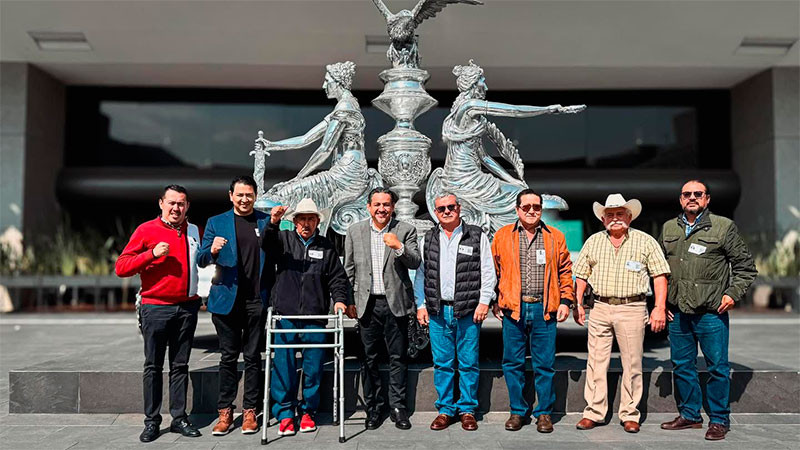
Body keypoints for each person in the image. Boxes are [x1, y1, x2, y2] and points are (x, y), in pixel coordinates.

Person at [426, 59, 584, 234]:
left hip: (475, 176)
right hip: (463, 179)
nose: (485, 87)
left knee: (519, 191)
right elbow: (513, 110)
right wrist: (548, 109)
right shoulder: (469, 107)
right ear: (472, 84)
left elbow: (484, 157)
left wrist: (511, 179)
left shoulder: (476, 119)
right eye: (481, 82)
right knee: (517, 198)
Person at [659, 180, 756, 441]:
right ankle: (690, 415)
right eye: (686, 194)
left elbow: (746, 267)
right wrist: (662, 303)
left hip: (711, 313)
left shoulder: (723, 227)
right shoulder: (669, 228)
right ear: (680, 199)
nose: (692, 197)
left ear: (707, 199)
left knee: (717, 368)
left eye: (697, 194)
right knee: (681, 366)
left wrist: (732, 294)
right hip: (678, 313)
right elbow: (658, 271)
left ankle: (719, 420)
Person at [573, 194, 671, 434]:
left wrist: (659, 307)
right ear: (603, 219)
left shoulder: (645, 241)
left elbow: (660, 276)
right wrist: (577, 303)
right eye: (610, 215)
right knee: (596, 362)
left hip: (633, 308)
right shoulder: (593, 241)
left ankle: (630, 414)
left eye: (619, 214)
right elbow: (581, 276)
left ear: (629, 216)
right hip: (599, 307)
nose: (615, 219)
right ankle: (594, 412)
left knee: (632, 363)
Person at [115, 185, 202, 443]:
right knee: (153, 366)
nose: (177, 208)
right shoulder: (146, 230)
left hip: (187, 308)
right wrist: (151, 254)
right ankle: (152, 421)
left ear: (187, 207)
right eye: (172, 203)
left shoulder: (194, 230)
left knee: (180, 365)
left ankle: (179, 418)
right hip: (155, 307)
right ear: (161, 204)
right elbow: (121, 267)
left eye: (182, 204)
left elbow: (201, 263)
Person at [256, 61, 381, 235]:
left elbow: (325, 149)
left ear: (338, 82)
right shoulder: (344, 106)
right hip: (342, 171)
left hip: (346, 174)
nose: (324, 85)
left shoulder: (345, 107)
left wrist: (299, 177)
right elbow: (305, 139)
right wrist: (272, 145)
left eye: (327, 80)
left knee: (285, 194)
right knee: (285, 195)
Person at [491, 189, 576, 433]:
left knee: (545, 365)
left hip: (544, 309)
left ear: (541, 209)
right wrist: (496, 298)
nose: (531, 211)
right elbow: (494, 270)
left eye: (536, 207)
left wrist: (565, 301)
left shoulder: (555, 237)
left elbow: (565, 271)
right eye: (526, 207)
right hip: (514, 310)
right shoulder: (502, 236)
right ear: (517, 210)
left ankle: (544, 413)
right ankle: (517, 412)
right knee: (512, 363)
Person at [264, 198, 350, 436]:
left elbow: (337, 278)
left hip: (315, 316)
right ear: (294, 222)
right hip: (286, 315)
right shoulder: (283, 240)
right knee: (284, 366)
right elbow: (266, 245)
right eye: (302, 219)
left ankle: (308, 412)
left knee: (313, 368)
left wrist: (340, 299)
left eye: (311, 219)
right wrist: (273, 223)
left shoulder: (326, 246)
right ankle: (284, 414)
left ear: (317, 222)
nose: (306, 223)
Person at [414, 193, 496, 431]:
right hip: (438, 310)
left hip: (468, 310)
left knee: (469, 362)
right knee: (442, 363)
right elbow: (421, 274)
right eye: (441, 209)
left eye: (451, 207)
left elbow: (487, 270)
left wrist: (484, 301)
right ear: (435, 213)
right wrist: (420, 305)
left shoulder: (476, 235)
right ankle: (446, 410)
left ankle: (468, 409)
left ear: (459, 208)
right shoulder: (428, 238)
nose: (447, 211)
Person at [197, 175, 271, 436]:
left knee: (253, 358)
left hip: (256, 301)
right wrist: (213, 250)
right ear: (231, 196)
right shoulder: (216, 222)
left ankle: (251, 411)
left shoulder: (265, 220)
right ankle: (225, 412)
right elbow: (201, 258)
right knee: (228, 358)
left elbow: (276, 255)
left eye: (249, 194)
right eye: (239, 194)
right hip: (226, 301)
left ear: (255, 195)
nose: (244, 199)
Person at [344, 187, 421, 430]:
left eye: (386, 204)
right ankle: (374, 408)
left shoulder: (405, 230)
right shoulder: (355, 231)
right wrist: (348, 301)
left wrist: (398, 247)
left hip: (396, 304)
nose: (381, 209)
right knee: (369, 359)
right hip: (367, 305)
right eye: (377, 204)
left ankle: (398, 407)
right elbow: (348, 270)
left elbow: (415, 261)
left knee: (398, 357)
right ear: (368, 207)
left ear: (393, 207)